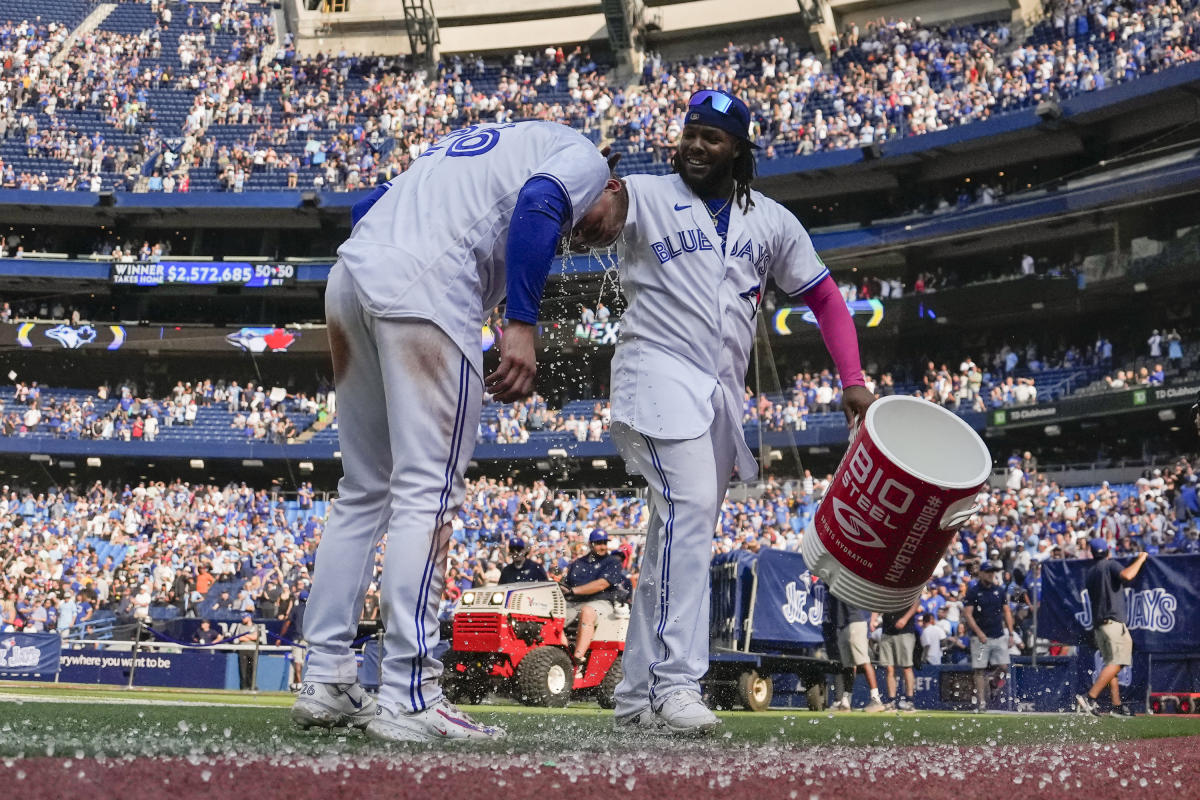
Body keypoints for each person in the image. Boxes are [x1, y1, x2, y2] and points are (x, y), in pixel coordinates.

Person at [292, 120, 620, 743]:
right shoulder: (581, 156)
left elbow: (370, 204)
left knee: (363, 491)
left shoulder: (475, 145)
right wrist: (521, 323)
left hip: (352, 278)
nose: (597, 236)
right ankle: (410, 693)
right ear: (614, 182)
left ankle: (326, 678)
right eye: (611, 216)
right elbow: (541, 204)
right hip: (425, 293)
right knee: (428, 493)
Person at [573, 88, 875, 734]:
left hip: (716, 397)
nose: (695, 145)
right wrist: (584, 186)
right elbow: (595, 219)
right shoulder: (646, 194)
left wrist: (851, 378)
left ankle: (634, 695)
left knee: (674, 534)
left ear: (739, 148)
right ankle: (676, 682)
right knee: (688, 514)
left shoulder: (769, 220)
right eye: (690, 132)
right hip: (652, 375)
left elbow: (823, 296)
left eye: (711, 136)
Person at [1075, 537, 1148, 717]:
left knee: (1111, 665)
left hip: (1100, 626)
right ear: (1108, 551)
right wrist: (1141, 558)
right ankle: (1090, 697)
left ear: (1092, 554)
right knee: (1119, 662)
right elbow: (1127, 575)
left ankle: (1116, 706)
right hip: (1113, 623)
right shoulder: (1110, 564)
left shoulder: (1091, 572)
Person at [561, 530, 628, 679]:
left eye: (605, 542)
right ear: (591, 544)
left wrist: (573, 590)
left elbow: (601, 584)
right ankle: (562, 656)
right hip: (574, 603)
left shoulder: (612, 562)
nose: (603, 546)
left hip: (602, 602)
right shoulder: (578, 563)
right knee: (553, 616)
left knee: (587, 611)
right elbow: (565, 585)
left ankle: (577, 661)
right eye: (599, 543)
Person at [963, 560, 1015, 712]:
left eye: (993, 572)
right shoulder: (973, 591)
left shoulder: (999, 590)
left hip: (998, 634)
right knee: (979, 670)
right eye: (989, 572)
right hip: (979, 637)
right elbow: (968, 614)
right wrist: (978, 632)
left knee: (1004, 667)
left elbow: (1006, 611)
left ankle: (993, 684)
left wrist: (1011, 633)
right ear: (981, 573)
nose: (992, 574)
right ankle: (981, 703)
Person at [830, 593, 886, 712]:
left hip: (855, 621)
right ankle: (846, 701)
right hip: (842, 625)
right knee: (848, 666)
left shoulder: (849, 578)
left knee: (864, 661)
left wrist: (872, 619)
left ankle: (876, 699)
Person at [879, 599, 920, 711]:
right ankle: (891, 701)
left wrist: (904, 619)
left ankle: (909, 701)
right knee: (889, 668)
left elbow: (916, 602)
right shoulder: (885, 588)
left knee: (906, 667)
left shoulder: (907, 584)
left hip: (905, 631)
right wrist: (874, 619)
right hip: (887, 631)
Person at [230, 612, 260, 691]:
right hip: (243, 650)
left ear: (249, 618)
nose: (243, 619)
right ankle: (244, 686)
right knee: (243, 669)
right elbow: (240, 638)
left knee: (251, 668)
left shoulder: (255, 626)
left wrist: (246, 635)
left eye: (244, 617)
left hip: (252, 650)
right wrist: (250, 636)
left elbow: (255, 637)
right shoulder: (240, 626)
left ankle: (251, 685)